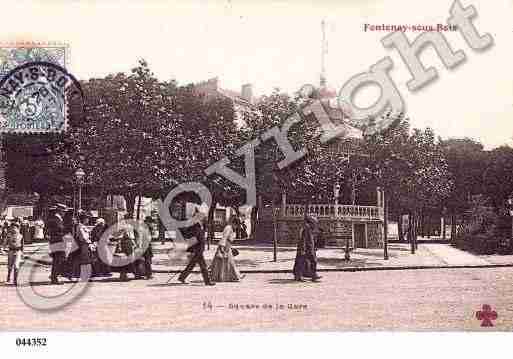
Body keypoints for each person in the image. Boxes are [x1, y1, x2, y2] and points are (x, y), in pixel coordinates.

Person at [178, 211, 215, 286]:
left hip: (199, 249)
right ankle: (207, 281)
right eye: (204, 218)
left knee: (191, 265)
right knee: (203, 266)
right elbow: (192, 238)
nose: (205, 219)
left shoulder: (200, 226)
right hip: (197, 250)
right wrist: (193, 249)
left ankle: (182, 277)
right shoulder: (196, 227)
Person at [209, 215, 243, 282]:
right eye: (236, 225)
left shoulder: (230, 228)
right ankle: (234, 276)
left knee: (227, 263)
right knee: (227, 263)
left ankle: (233, 276)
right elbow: (224, 238)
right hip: (224, 247)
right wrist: (221, 248)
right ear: (234, 223)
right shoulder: (228, 228)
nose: (236, 227)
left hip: (227, 247)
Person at [293, 215, 322, 282]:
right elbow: (304, 239)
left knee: (304, 261)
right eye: (314, 222)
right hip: (306, 248)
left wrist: (314, 247)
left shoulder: (308, 228)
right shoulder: (306, 228)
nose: (315, 224)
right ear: (311, 222)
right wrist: (303, 249)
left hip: (308, 247)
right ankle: (309, 275)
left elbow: (311, 239)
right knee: (309, 261)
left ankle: (311, 275)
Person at [46, 204, 68, 285]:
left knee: (59, 260)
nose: (64, 213)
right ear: (59, 211)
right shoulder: (55, 219)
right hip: (57, 242)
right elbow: (58, 231)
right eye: (63, 211)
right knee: (58, 260)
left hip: (58, 241)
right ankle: (54, 277)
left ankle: (54, 276)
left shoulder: (58, 219)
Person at [6, 220, 24, 285]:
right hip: (11, 251)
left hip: (18, 251)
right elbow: (5, 243)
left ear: (18, 228)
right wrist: (4, 247)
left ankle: (15, 280)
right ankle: (8, 276)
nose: (14, 229)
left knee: (16, 266)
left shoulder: (21, 236)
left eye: (15, 227)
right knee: (10, 266)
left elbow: (22, 245)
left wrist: (22, 253)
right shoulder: (9, 235)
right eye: (12, 227)